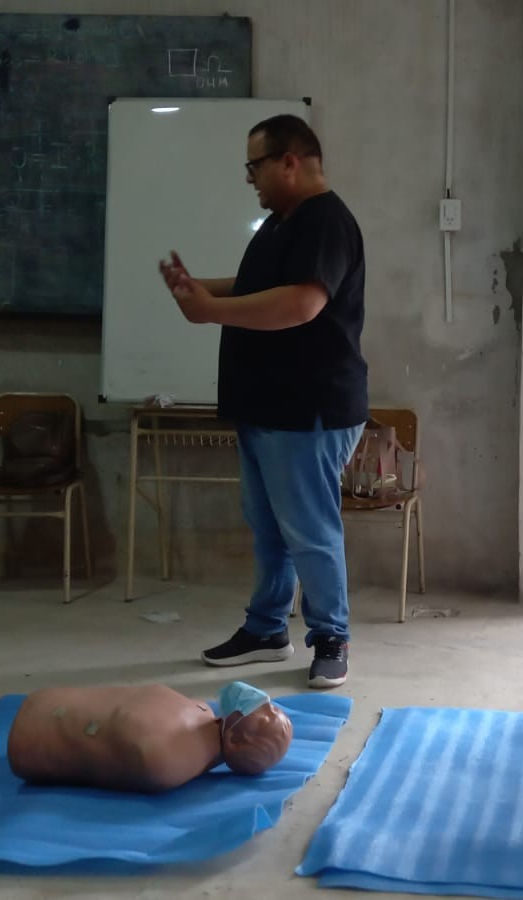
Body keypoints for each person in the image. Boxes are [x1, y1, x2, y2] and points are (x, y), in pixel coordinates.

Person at [158, 114, 367, 689]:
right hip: (266, 406)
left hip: (307, 409)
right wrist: (201, 289)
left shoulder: (324, 221)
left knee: (310, 531)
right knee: (270, 529)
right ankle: (267, 629)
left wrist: (210, 311)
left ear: (289, 162)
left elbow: (301, 304)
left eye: (255, 165)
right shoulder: (282, 223)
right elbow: (259, 289)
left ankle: (331, 637)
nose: (249, 178)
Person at [7, 681, 294, 793]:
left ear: (234, 741)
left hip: (31, 735)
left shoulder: (167, 760)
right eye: (274, 707)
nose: (266, 702)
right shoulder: (204, 715)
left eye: (265, 713)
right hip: (45, 705)